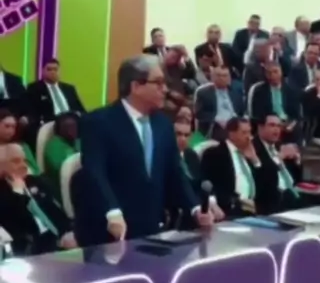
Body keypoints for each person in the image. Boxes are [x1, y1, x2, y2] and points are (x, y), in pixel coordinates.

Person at [79, 55, 213, 245]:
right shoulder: (98, 122)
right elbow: (94, 172)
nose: (165, 89)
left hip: (151, 230)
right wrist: (112, 212)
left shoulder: (163, 125)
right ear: (135, 86)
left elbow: (174, 173)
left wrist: (195, 208)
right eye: (158, 83)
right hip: (108, 231)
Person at [252, 113, 320, 214]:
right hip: (275, 199)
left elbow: (297, 178)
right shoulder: (253, 148)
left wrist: (296, 161)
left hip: (294, 193)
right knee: (319, 211)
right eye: (272, 125)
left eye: (279, 126)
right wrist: (279, 157)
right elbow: (263, 177)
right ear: (260, 127)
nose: (276, 130)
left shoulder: (279, 145)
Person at [0, 143, 76, 255]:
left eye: (25, 161)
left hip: (58, 240)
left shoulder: (37, 182)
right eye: (16, 161)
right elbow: (18, 225)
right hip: (30, 248)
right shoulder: (2, 193)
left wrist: (68, 232)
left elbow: (56, 211)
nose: (23, 165)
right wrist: (18, 193)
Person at [200, 118, 260, 217]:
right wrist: (236, 201)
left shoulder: (248, 153)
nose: (249, 137)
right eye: (244, 133)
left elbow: (264, 183)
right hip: (230, 209)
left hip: (252, 209)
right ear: (231, 134)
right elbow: (208, 182)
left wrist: (255, 160)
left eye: (249, 132)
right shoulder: (215, 153)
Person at [173, 118, 224, 225]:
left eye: (186, 135)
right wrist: (197, 208)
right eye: (178, 134)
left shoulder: (191, 155)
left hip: (198, 208)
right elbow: (182, 185)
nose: (182, 139)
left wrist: (212, 203)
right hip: (178, 210)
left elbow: (202, 181)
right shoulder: (166, 156)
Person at [248, 62, 301, 142]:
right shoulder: (259, 91)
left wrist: (290, 124)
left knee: (296, 130)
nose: (273, 75)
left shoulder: (291, 90)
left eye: (275, 72)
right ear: (265, 75)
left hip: (286, 122)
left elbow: (296, 114)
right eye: (269, 73)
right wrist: (275, 123)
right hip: (268, 122)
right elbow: (256, 114)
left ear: (281, 72)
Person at [25, 59, 85, 125]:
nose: (53, 72)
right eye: (49, 69)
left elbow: (80, 109)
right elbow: (32, 111)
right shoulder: (34, 88)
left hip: (72, 121)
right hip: (50, 123)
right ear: (43, 71)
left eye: (55, 69)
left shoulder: (69, 89)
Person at [194, 65, 244, 138]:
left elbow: (241, 111)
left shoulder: (236, 92)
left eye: (225, 75)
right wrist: (216, 120)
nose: (222, 78)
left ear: (229, 77)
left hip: (235, 124)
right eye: (219, 75)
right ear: (212, 77)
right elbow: (199, 114)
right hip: (215, 126)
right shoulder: (204, 93)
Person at [44, 112, 80, 199]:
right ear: (59, 129)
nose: (72, 130)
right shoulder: (53, 146)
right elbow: (61, 169)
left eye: (74, 126)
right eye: (68, 127)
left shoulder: (78, 140)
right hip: (66, 189)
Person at [0, 108, 38, 174]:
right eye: (7, 126)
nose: (11, 131)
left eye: (13, 127)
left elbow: (36, 171)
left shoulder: (22, 146)